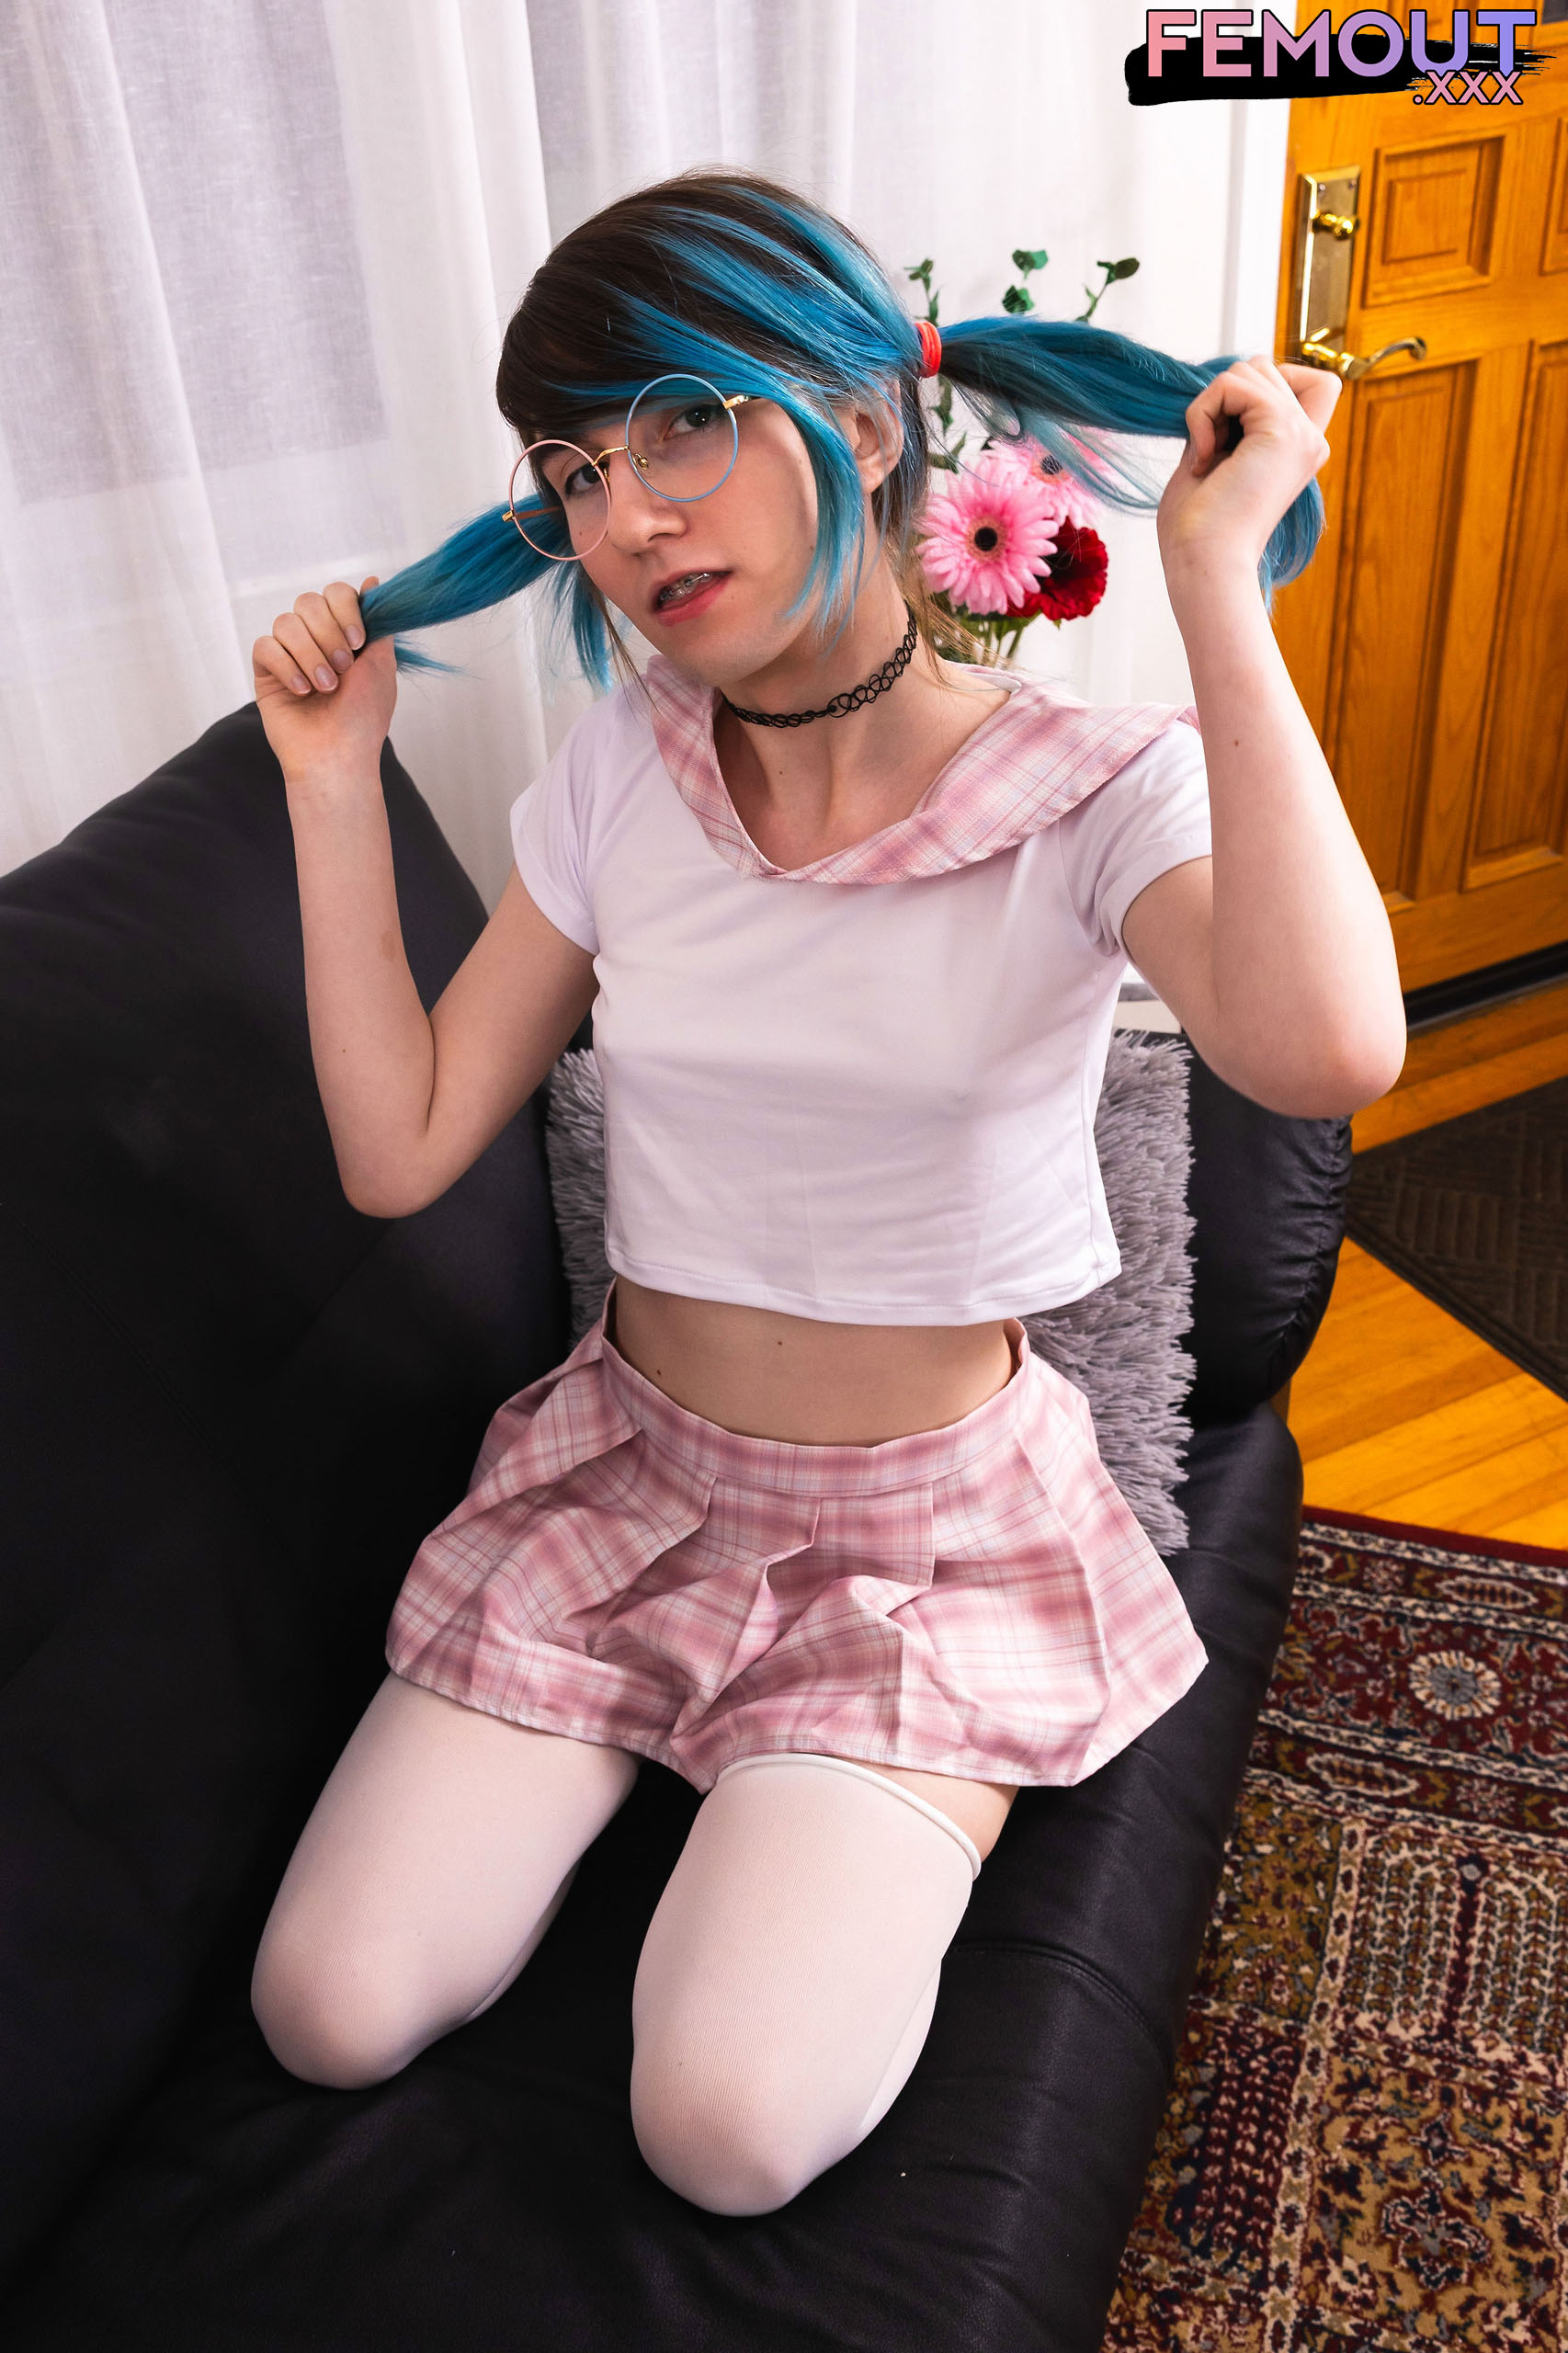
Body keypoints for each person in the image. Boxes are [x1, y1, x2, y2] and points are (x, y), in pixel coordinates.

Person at [246, 171, 1404, 2217]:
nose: (625, 516)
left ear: (866, 425)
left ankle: (864, 1797)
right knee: (324, 2006)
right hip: (628, 1484)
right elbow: (399, 1145)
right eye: (574, 471)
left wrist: (1216, 586)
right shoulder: (621, 767)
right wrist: (334, 785)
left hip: (926, 1547)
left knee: (726, 2129)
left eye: (681, 426)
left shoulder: (1085, 791)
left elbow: (1323, 1052)